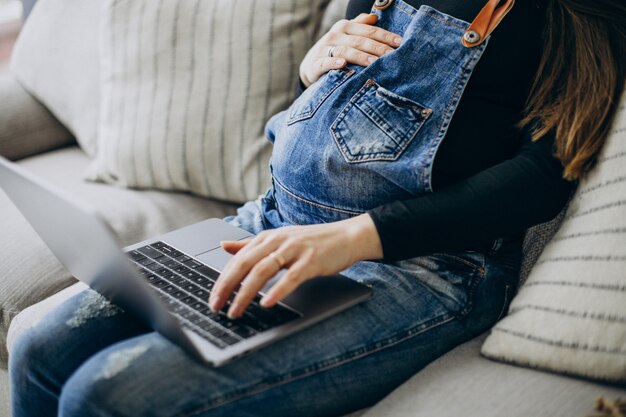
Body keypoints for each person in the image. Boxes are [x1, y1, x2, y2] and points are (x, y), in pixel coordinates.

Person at [9, 0, 626, 416]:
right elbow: (347, 98)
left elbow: (543, 177)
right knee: (40, 345)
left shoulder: (581, 12)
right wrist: (314, 70)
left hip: (421, 267)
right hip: (272, 224)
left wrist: (354, 238)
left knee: (107, 392)